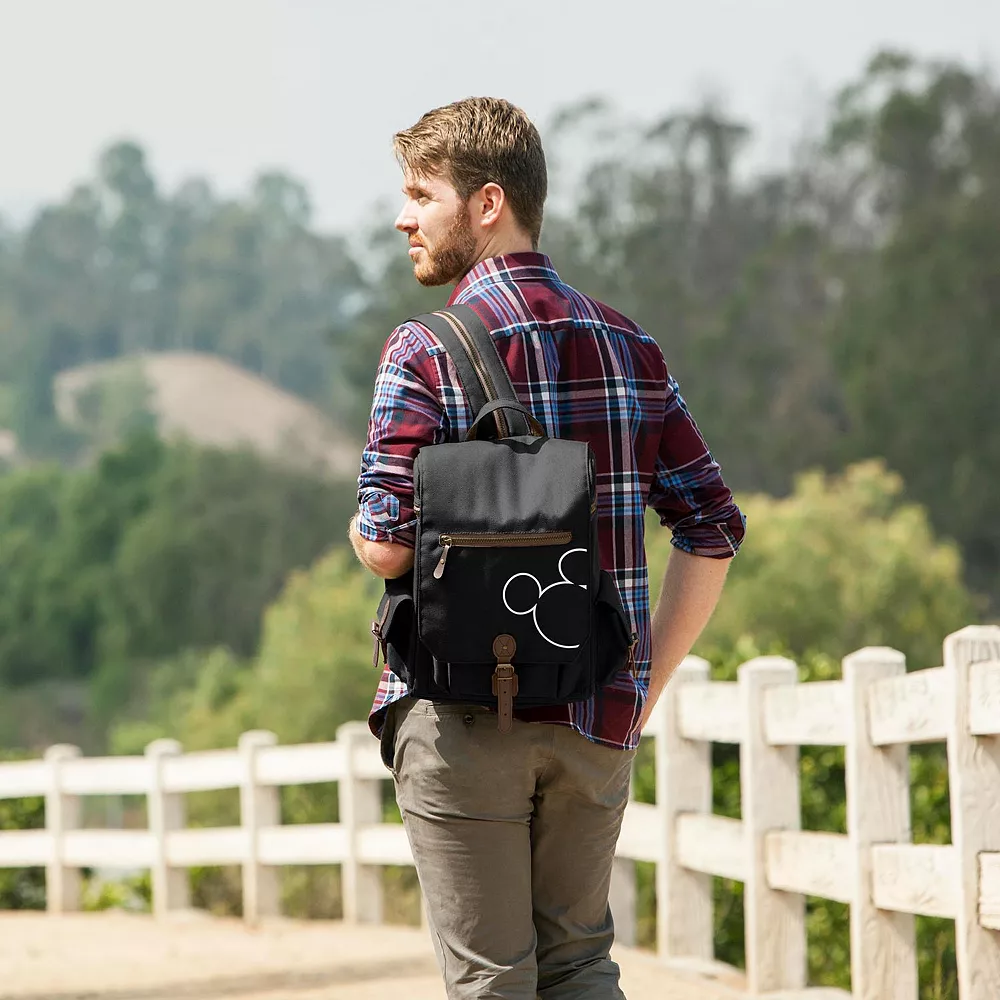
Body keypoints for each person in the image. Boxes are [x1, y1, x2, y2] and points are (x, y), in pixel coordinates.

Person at [349, 97, 745, 1000]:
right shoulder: (630, 346)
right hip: (595, 709)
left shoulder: (424, 349)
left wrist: (363, 530)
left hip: (459, 713)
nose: (403, 218)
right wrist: (643, 679)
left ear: (487, 203)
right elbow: (713, 526)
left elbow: (386, 548)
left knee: (492, 979)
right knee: (581, 966)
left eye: (421, 195)